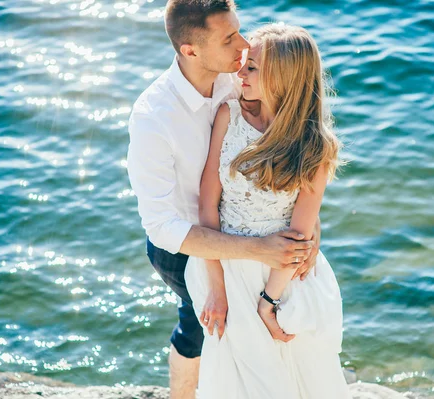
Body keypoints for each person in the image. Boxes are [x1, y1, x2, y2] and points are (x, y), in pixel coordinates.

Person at [126, 1, 322, 398]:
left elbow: (288, 157)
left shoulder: (239, 80)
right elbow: (163, 228)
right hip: (185, 247)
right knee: (202, 326)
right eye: (229, 37)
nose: (245, 44)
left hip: (254, 239)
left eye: (240, 30)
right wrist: (254, 254)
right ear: (190, 50)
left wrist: (310, 227)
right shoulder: (153, 118)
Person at [184, 24, 351, 398]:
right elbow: (207, 204)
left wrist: (269, 303)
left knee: (292, 378)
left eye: (252, 67)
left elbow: (301, 233)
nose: (239, 73)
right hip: (225, 263)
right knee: (236, 378)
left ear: (283, 77)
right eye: (244, 63)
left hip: (284, 276)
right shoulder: (229, 116)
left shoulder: (316, 148)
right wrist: (218, 288)